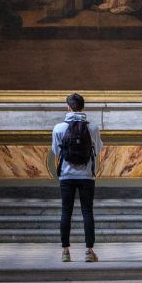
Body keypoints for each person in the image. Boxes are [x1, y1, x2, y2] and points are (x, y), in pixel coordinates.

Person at [52, 93, 103, 263]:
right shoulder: (93, 127)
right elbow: (99, 149)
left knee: (66, 211)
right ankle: (89, 251)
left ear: (68, 107)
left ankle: (65, 251)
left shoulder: (59, 128)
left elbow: (56, 152)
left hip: (66, 175)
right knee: (87, 211)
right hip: (87, 175)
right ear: (83, 107)